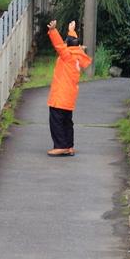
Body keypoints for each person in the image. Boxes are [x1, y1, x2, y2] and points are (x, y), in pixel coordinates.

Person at [45, 19, 92, 157]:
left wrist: (53, 30)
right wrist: (71, 30)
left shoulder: (68, 56)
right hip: (69, 96)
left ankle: (60, 146)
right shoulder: (77, 56)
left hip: (60, 95)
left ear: (68, 46)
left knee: (56, 121)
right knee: (67, 121)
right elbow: (71, 42)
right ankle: (69, 145)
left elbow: (59, 45)